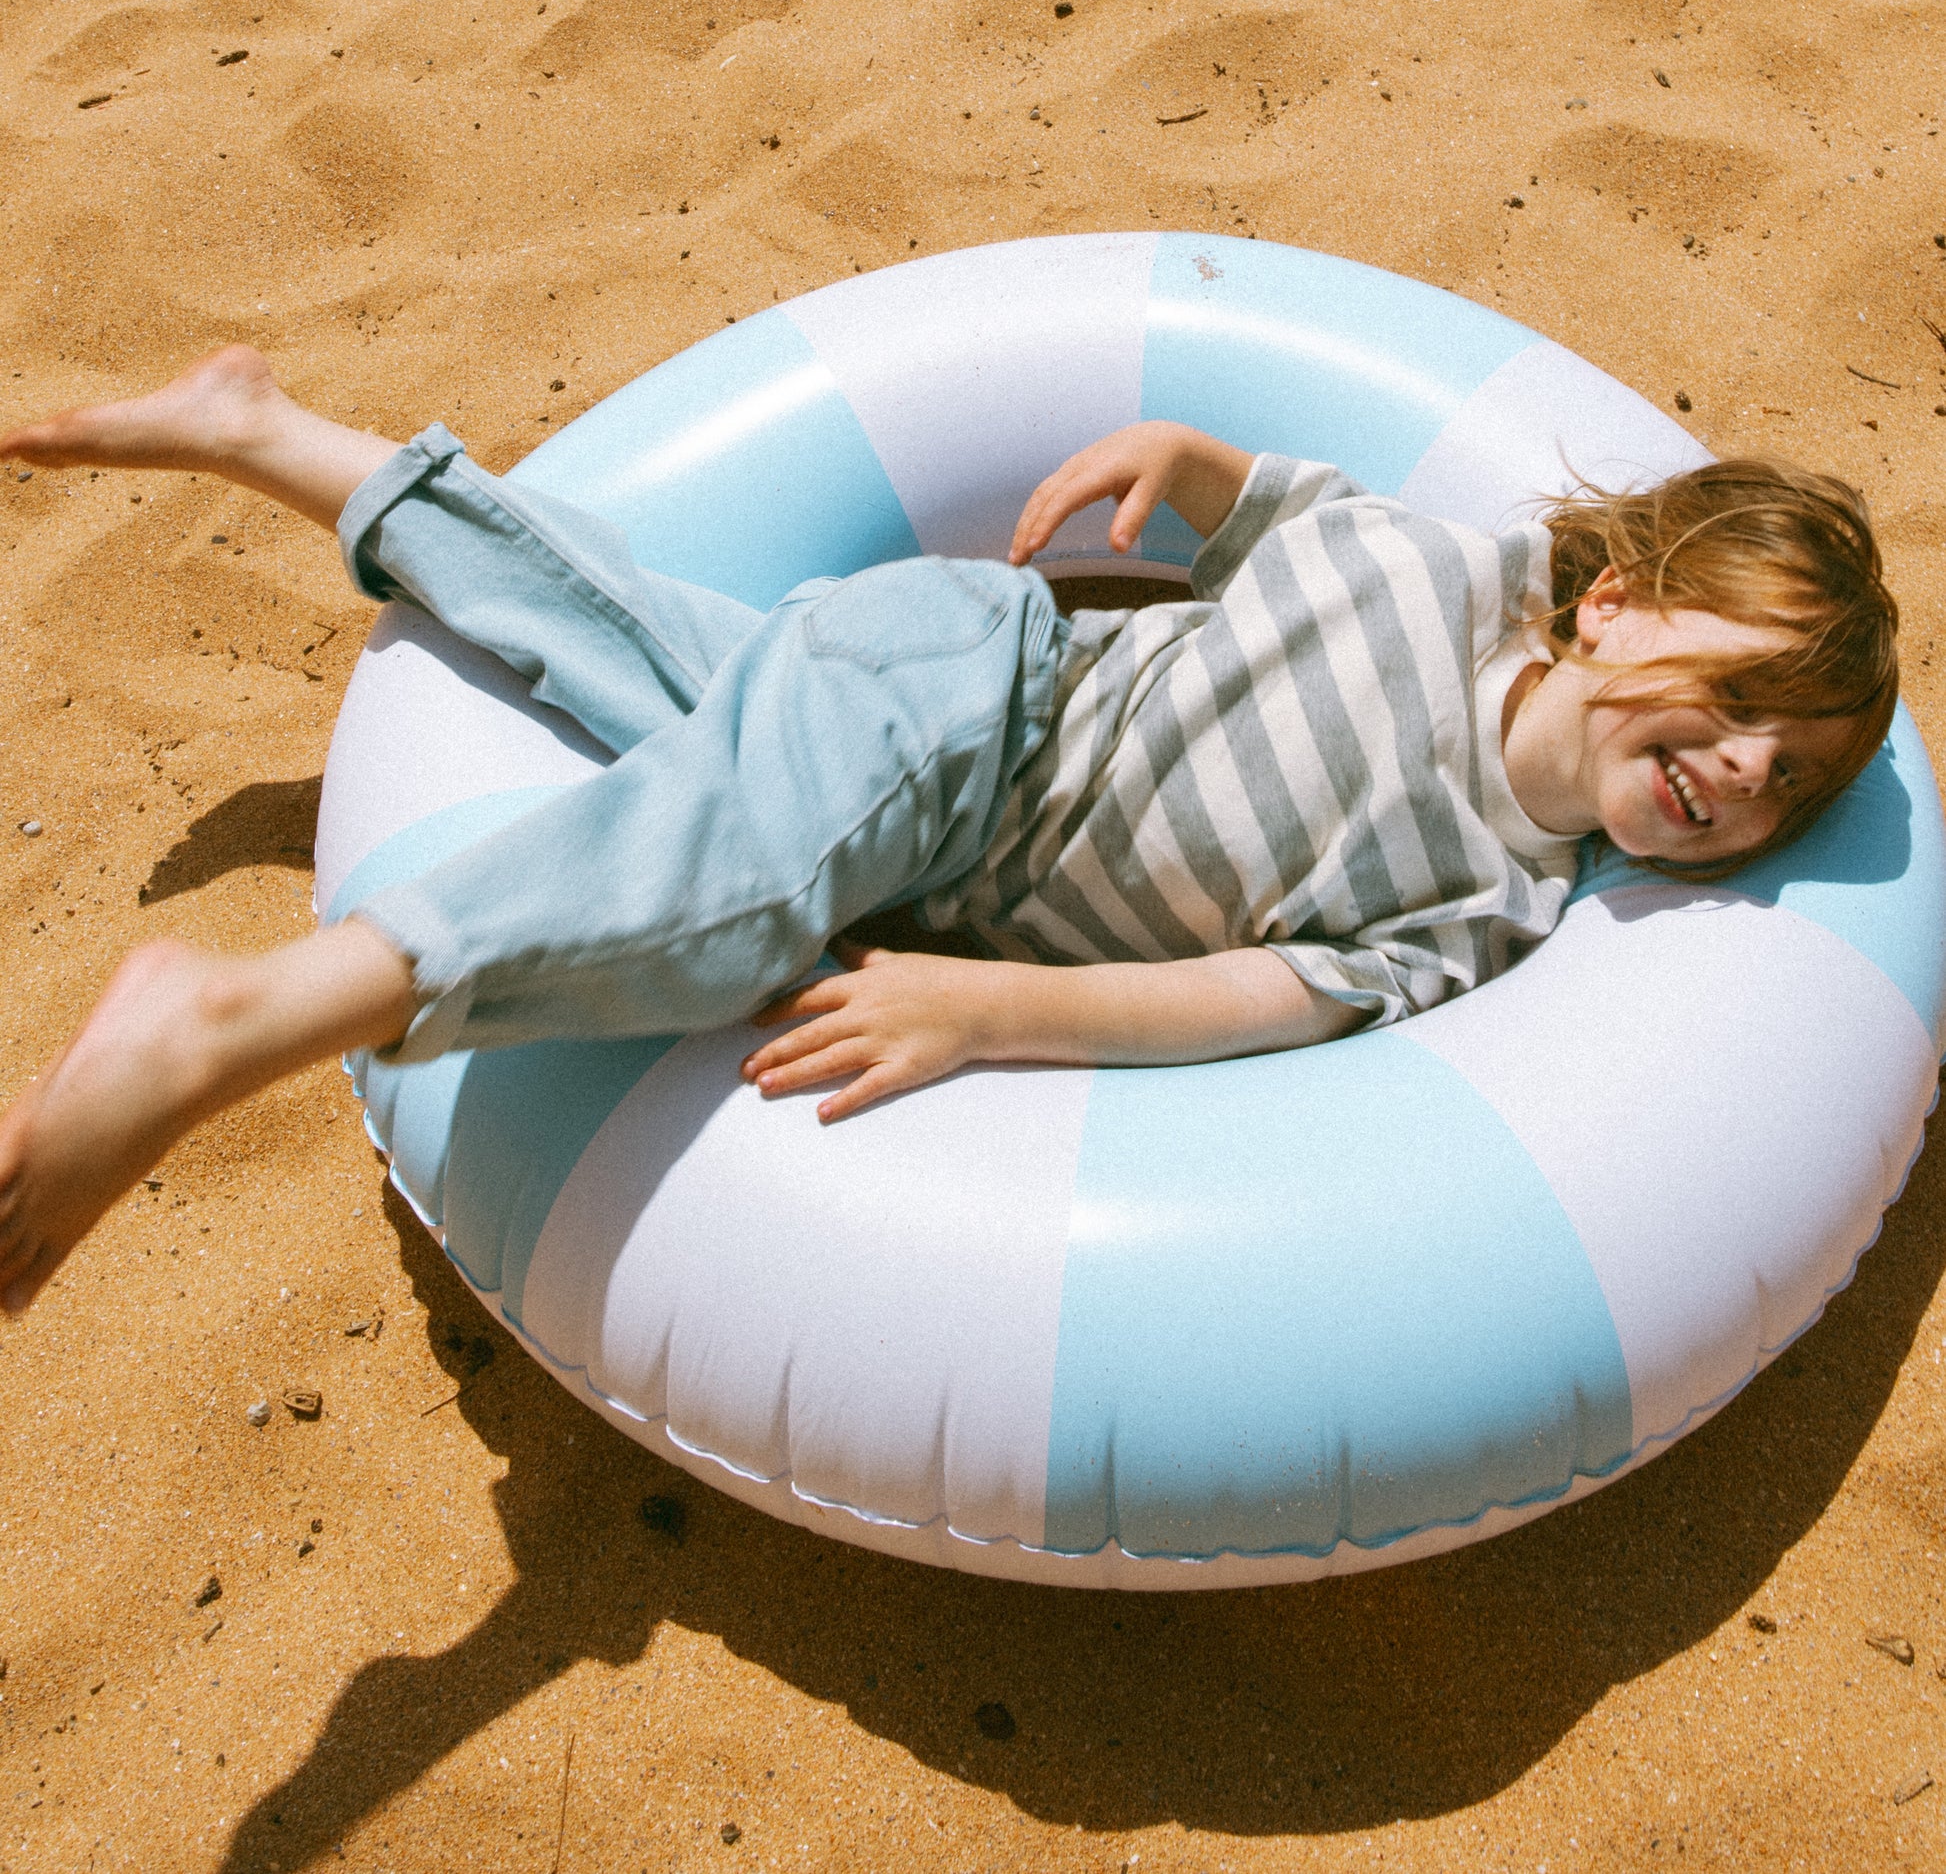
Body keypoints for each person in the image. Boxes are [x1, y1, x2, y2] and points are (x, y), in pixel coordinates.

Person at [0, 346, 1897, 1316]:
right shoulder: (1448, 572)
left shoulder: (1495, 906)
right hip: (975, 694)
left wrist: (992, 1010)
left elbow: (1249, 998)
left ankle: (267, 432)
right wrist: (1184, 460)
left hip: (932, 846)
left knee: (616, 636)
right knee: (730, 896)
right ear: (1613, 607)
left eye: (1794, 778)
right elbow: (1281, 498)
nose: (1746, 772)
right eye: (1741, 702)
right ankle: (231, 1018)